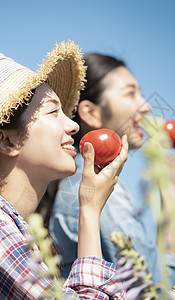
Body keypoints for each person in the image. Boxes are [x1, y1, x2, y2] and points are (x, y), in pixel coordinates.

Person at [49, 54, 175, 285]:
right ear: (91, 113)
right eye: (130, 93)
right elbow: (156, 288)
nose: (146, 106)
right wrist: (170, 192)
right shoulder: (101, 195)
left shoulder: (70, 182)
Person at [0, 43, 127, 299]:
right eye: (53, 112)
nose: (73, 126)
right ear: (7, 141)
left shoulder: (22, 234)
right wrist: (89, 212)